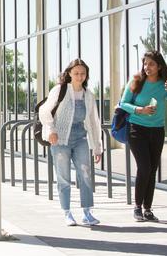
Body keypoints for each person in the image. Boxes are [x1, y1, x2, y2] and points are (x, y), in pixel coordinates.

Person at [39, 58, 103, 226]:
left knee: (86, 174)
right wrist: (51, 130)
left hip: (80, 138)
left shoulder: (88, 95)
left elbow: (94, 122)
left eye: (83, 73)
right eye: (76, 73)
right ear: (69, 74)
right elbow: (44, 111)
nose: (80, 76)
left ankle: (87, 213)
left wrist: (97, 147)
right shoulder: (60, 90)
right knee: (63, 176)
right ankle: (67, 213)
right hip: (60, 139)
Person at [119, 50, 167, 222]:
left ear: (159, 66)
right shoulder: (136, 81)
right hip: (136, 129)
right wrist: (139, 110)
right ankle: (137, 207)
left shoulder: (165, 84)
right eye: (145, 63)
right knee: (144, 167)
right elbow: (122, 103)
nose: (147, 67)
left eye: (151, 64)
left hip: (157, 131)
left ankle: (148, 209)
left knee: (152, 170)